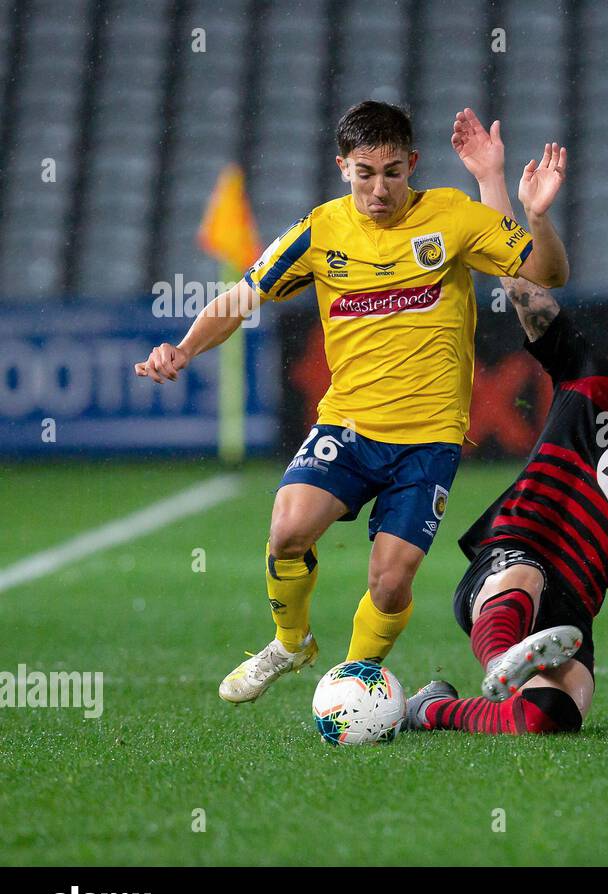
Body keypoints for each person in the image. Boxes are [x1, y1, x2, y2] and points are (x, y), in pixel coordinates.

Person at [135, 101, 570, 703]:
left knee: (389, 584)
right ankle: (290, 643)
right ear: (343, 167)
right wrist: (183, 349)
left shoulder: (452, 217)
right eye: (365, 172)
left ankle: (352, 684)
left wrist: (538, 217)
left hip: (429, 437)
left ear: (412, 164)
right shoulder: (321, 230)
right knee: (288, 530)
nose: (380, 188)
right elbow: (240, 297)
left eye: (393, 171)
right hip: (350, 422)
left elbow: (548, 274)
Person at [404, 110, 608, 734]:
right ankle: (501, 661)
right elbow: (521, 286)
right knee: (524, 574)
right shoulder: (591, 380)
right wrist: (515, 201)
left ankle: (431, 709)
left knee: (553, 717)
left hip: (569, 616)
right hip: (507, 564)